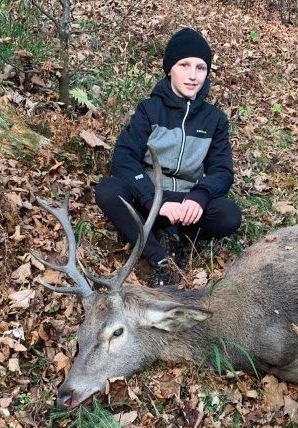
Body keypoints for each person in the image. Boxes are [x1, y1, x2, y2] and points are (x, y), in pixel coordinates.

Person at [95, 28, 241, 286]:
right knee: (108, 190)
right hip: (149, 198)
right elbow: (124, 158)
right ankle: (160, 256)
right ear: (170, 69)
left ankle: (174, 235)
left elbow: (222, 171)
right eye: (184, 65)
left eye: (201, 67)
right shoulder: (149, 110)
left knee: (229, 215)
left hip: (187, 204)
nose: (193, 75)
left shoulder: (214, 119)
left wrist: (200, 196)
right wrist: (152, 198)